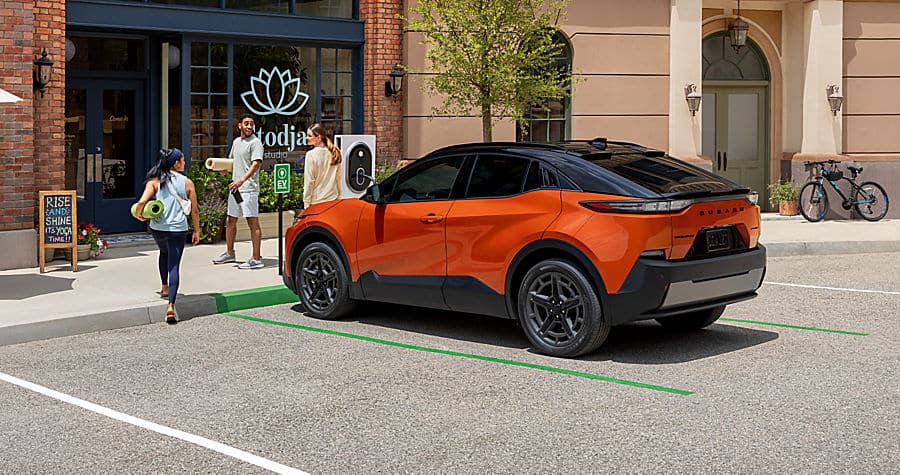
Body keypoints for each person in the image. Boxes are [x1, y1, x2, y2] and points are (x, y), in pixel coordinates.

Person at [133, 148, 200, 324]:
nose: (184, 162)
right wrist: (197, 230)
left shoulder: (154, 181)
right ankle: (171, 306)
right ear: (176, 163)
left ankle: (164, 287)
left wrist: (139, 215)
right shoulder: (187, 183)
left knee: (163, 252)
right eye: (182, 160)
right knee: (174, 265)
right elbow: (194, 210)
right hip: (178, 229)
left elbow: (142, 202)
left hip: (158, 229)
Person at [212, 113, 265, 269]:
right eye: (246, 123)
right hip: (235, 189)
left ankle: (256, 259)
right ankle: (230, 253)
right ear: (239, 125)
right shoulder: (236, 142)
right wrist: (224, 170)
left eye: (251, 124)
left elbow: (256, 165)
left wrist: (241, 180)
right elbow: (233, 163)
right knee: (230, 220)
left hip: (248, 189)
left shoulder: (255, 143)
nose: (249, 126)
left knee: (252, 222)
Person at [303, 123, 343, 207]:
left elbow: (309, 181)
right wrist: (339, 196)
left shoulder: (311, 155)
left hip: (317, 202)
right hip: (333, 199)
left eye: (309, 136)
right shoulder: (334, 153)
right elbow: (338, 178)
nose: (307, 138)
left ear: (318, 137)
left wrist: (306, 203)